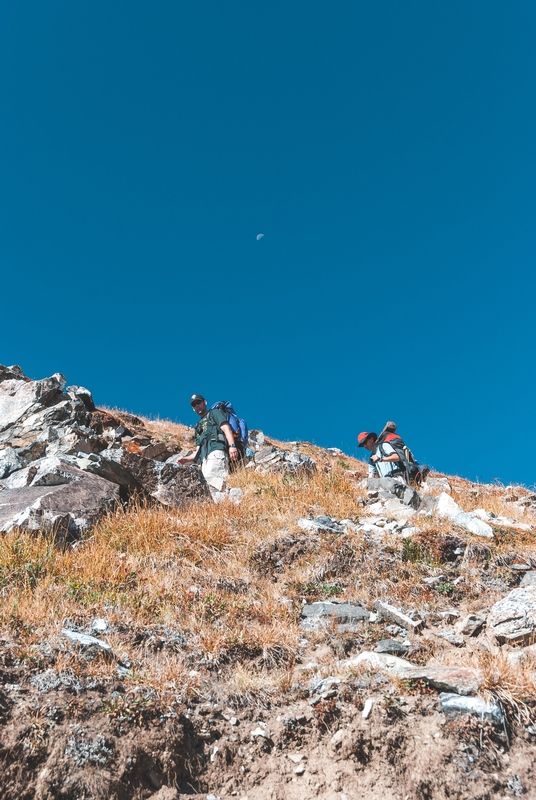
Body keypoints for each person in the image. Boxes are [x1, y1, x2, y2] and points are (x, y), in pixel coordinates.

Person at [177, 394, 239, 494]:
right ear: (193, 409)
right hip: (204, 460)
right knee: (207, 487)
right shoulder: (198, 427)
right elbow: (197, 451)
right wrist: (186, 459)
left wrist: (232, 446)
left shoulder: (215, 413)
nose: (197, 405)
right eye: (194, 404)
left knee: (216, 484)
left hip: (217, 452)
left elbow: (226, 428)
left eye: (199, 402)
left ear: (205, 402)